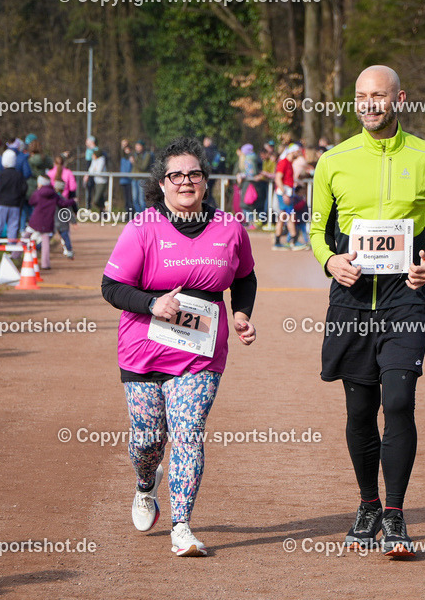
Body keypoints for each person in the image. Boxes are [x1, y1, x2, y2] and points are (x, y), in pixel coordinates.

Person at [310, 65, 425, 557]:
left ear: (400, 97)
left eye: (378, 96)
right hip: (352, 301)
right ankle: (368, 504)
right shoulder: (333, 161)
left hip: (404, 300)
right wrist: (331, 260)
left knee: (398, 401)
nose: (369, 104)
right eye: (361, 96)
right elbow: (316, 231)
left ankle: (395, 514)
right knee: (360, 409)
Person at [100, 136, 257, 557]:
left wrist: (241, 313)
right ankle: (145, 483)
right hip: (144, 346)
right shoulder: (142, 228)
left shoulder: (229, 228)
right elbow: (111, 287)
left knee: (188, 432)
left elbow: (245, 277)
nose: (186, 181)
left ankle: (182, 525)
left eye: (194, 174)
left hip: (200, 351)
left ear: (205, 182)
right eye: (176, 175)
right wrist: (153, 303)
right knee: (148, 439)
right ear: (163, 184)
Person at [26, 175, 76, 269]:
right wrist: (73, 201)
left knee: (26, 236)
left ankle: (16, 253)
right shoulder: (54, 195)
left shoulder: (38, 193)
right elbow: (63, 204)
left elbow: (31, 202)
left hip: (36, 220)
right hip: (48, 221)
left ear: (40, 183)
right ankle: (45, 264)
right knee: (46, 242)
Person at [0, 149, 26, 241]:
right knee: (13, 227)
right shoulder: (19, 175)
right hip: (14, 205)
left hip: (1, 204)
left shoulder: (0, 175)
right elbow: (24, 189)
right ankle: (12, 248)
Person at [47, 155, 78, 259]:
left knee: (52, 229)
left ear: (54, 163)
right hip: (64, 200)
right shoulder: (68, 172)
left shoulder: (50, 173)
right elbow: (73, 187)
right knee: (64, 229)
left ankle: (40, 246)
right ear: (64, 163)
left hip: (52, 201)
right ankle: (67, 248)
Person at [273, 143, 302, 249]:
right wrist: (284, 193)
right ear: (292, 151)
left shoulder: (289, 163)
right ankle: (294, 240)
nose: (299, 153)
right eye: (297, 151)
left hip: (287, 192)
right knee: (290, 216)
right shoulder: (284, 162)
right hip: (284, 194)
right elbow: (278, 178)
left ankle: (277, 240)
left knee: (283, 216)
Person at [132, 141, 152, 214]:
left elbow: (143, 167)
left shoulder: (147, 155)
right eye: (136, 146)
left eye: (138, 146)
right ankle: (138, 215)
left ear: (142, 147)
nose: (137, 148)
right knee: (134, 199)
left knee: (141, 199)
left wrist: (134, 162)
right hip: (134, 178)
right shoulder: (135, 155)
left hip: (142, 179)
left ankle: (143, 216)